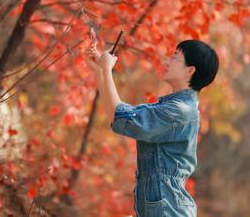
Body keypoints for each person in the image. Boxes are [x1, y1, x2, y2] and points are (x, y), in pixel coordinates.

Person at [85, 39, 219, 217]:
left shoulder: (179, 111)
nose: (166, 61)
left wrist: (107, 71)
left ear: (190, 70)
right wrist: (101, 72)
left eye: (175, 57)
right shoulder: (171, 107)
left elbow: (122, 117)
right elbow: (120, 117)